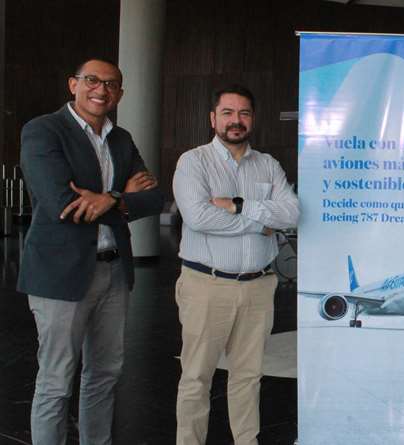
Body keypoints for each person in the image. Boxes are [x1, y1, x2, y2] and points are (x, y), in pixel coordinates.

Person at [18, 58, 163, 444]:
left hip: (114, 272)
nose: (101, 89)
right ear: (73, 84)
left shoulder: (122, 138)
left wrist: (109, 199)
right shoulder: (43, 131)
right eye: (92, 80)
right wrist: (122, 197)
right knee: (55, 381)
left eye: (112, 83)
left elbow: (152, 197)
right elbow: (61, 204)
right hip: (60, 275)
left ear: (120, 93)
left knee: (104, 375)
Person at [173, 84, 299, 445]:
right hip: (207, 285)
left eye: (243, 113)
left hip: (259, 286)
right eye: (227, 113)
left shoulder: (267, 165)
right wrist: (263, 221)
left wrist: (239, 205)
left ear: (252, 119)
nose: (236, 120)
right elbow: (199, 218)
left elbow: (292, 213)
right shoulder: (193, 162)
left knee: (248, 375)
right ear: (213, 118)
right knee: (196, 376)